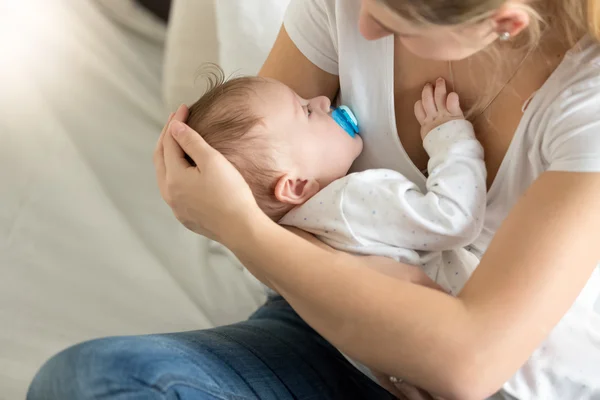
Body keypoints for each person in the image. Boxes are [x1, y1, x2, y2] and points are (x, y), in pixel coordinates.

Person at [28, 0, 600, 399]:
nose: (362, 25)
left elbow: (470, 365)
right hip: (323, 336)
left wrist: (241, 230)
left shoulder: (586, 105)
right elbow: (251, 178)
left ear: (503, 22)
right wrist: (386, 303)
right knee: (87, 382)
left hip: (498, 389)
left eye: (393, 16)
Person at [186, 68, 485, 298]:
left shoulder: (281, 246)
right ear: (297, 186)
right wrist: (449, 139)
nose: (323, 100)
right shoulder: (349, 201)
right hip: (487, 347)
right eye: (306, 111)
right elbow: (455, 221)